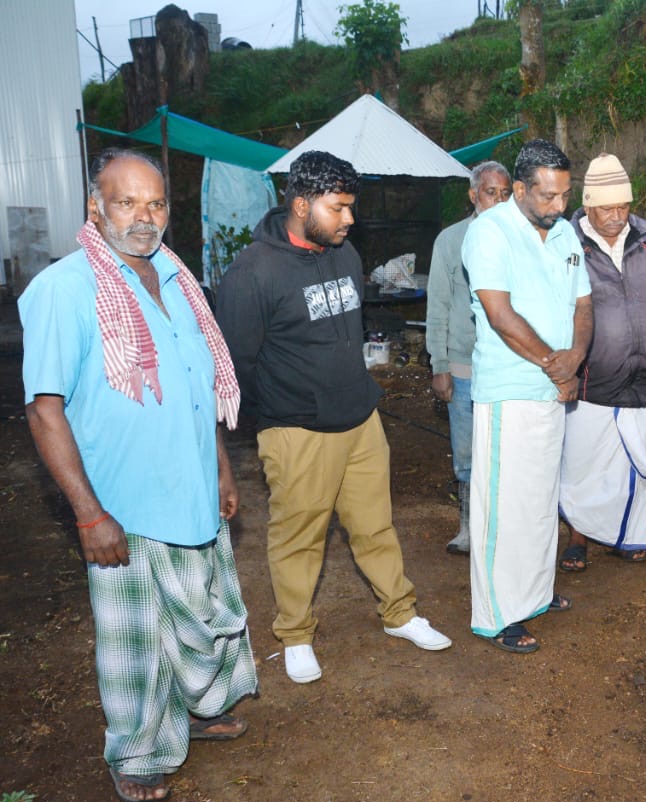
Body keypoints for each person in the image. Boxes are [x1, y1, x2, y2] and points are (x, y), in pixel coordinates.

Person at [20, 148, 257, 802]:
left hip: (191, 489)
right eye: (126, 202)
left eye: (155, 203)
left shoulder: (178, 279)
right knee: (136, 637)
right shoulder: (63, 290)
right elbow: (44, 411)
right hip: (123, 499)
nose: (143, 217)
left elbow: (196, 382)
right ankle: (139, 750)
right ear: (95, 208)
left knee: (202, 613)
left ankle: (201, 705)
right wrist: (89, 513)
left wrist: (220, 465)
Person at [216, 150, 451, 685]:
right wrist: (279, 414)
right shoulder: (253, 273)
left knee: (375, 526)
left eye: (352, 207)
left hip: (361, 420)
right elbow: (236, 365)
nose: (350, 219)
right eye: (339, 207)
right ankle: (295, 635)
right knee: (299, 537)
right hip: (297, 429)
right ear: (301, 205)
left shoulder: (345, 256)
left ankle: (399, 613)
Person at [461, 139, 593, 653]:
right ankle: (498, 613)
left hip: (553, 388)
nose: (559, 207)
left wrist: (576, 357)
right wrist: (554, 364)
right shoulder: (489, 233)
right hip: (510, 390)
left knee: (540, 500)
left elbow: (584, 302)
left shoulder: (563, 234)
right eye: (547, 197)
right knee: (505, 506)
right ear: (518, 190)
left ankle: (534, 594)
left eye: (564, 195)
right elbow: (500, 314)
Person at [558, 153, 646, 571]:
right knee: (582, 466)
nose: (617, 217)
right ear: (588, 203)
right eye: (606, 209)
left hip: (644, 377)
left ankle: (632, 535)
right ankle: (578, 537)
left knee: (634, 463)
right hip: (590, 382)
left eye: (624, 207)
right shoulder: (565, 244)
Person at [425, 160, 513, 555]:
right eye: (490, 192)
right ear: (473, 194)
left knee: (510, 446)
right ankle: (468, 525)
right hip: (464, 364)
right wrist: (439, 365)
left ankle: (507, 525)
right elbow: (439, 305)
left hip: (512, 362)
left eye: (505, 193)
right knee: (466, 448)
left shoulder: (523, 238)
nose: (497, 200)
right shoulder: (451, 240)